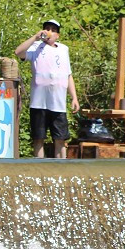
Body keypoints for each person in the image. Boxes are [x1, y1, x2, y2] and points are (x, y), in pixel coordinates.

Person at [15, 19, 79, 159]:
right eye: (47, 28)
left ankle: (61, 169)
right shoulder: (36, 46)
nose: (49, 32)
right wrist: (35, 37)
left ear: (58, 35)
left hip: (58, 102)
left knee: (60, 138)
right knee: (39, 138)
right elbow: (18, 52)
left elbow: (68, 74)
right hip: (39, 102)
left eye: (53, 30)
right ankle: (40, 168)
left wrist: (74, 97)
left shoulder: (63, 49)